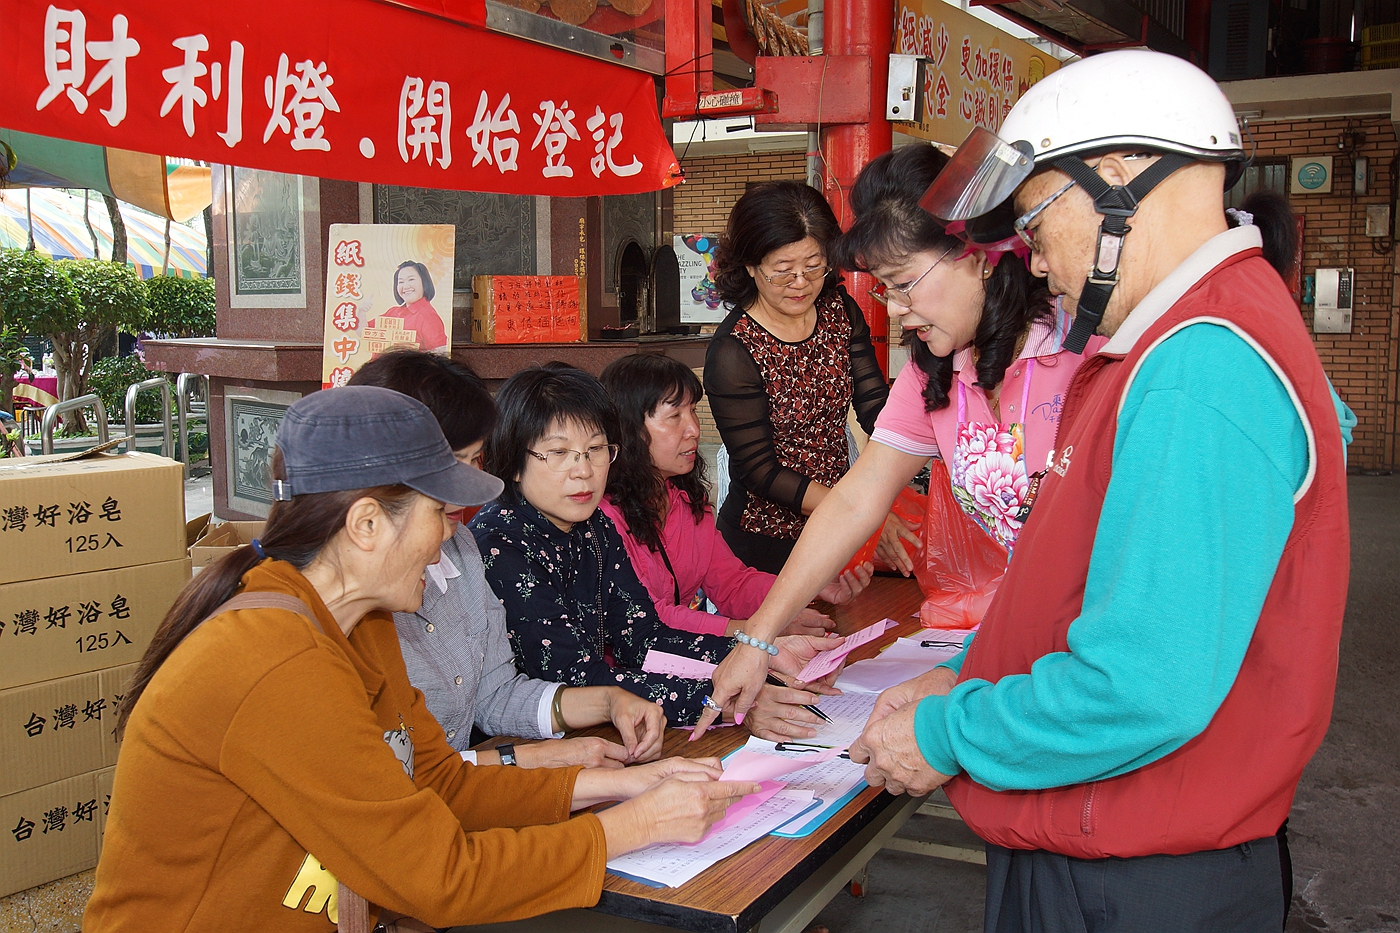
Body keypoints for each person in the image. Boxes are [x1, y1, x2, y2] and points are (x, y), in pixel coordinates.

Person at [849, 50, 1347, 932]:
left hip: (1135, 877)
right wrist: (962, 676)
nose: (1035, 267)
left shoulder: (1201, 365)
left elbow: (1140, 686)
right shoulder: (1170, 347)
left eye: (1037, 226)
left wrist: (947, 733)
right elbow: (1085, 591)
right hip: (1109, 849)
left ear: (1117, 177)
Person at [84, 386, 756, 932]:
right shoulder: (273, 660)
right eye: (439, 512)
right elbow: (440, 877)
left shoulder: (362, 620)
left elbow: (440, 784)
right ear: (367, 525)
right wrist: (625, 829)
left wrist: (620, 785)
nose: (449, 536)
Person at [690, 141, 1105, 736]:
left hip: (1100, 650)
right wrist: (757, 637)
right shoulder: (933, 369)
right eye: (887, 289)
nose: (899, 309)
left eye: (905, 282)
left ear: (975, 256)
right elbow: (858, 498)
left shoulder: (1079, 349)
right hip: (1038, 646)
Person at [470, 364, 841, 728]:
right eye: (559, 453)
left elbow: (643, 639)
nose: (583, 470)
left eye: (596, 449)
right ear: (515, 460)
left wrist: (762, 654)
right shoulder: (502, 542)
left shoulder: (592, 526)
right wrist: (722, 698)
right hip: (530, 742)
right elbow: (576, 678)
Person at [348, 349, 668, 768]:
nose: (468, 485)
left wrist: (608, 702)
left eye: (471, 461)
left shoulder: (459, 546)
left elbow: (495, 694)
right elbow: (410, 784)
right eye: (450, 463)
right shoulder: (491, 542)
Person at [598, 352, 869, 640]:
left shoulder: (686, 500)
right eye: (675, 416)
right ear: (629, 429)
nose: (693, 429)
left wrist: (811, 585)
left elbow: (731, 583)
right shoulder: (604, 518)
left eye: (692, 411)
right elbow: (649, 616)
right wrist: (748, 631)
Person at [703, 181, 891, 574]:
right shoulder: (733, 351)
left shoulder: (840, 310)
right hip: (764, 542)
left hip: (840, 529)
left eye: (814, 266)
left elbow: (876, 406)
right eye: (783, 272)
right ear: (751, 266)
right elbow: (761, 471)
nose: (802, 283)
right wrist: (856, 509)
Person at [373, 260, 448, 351]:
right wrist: (362, 311)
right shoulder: (393, 312)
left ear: (424, 282)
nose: (406, 286)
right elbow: (364, 331)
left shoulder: (429, 317)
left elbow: (440, 355)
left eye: (411, 279)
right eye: (401, 282)